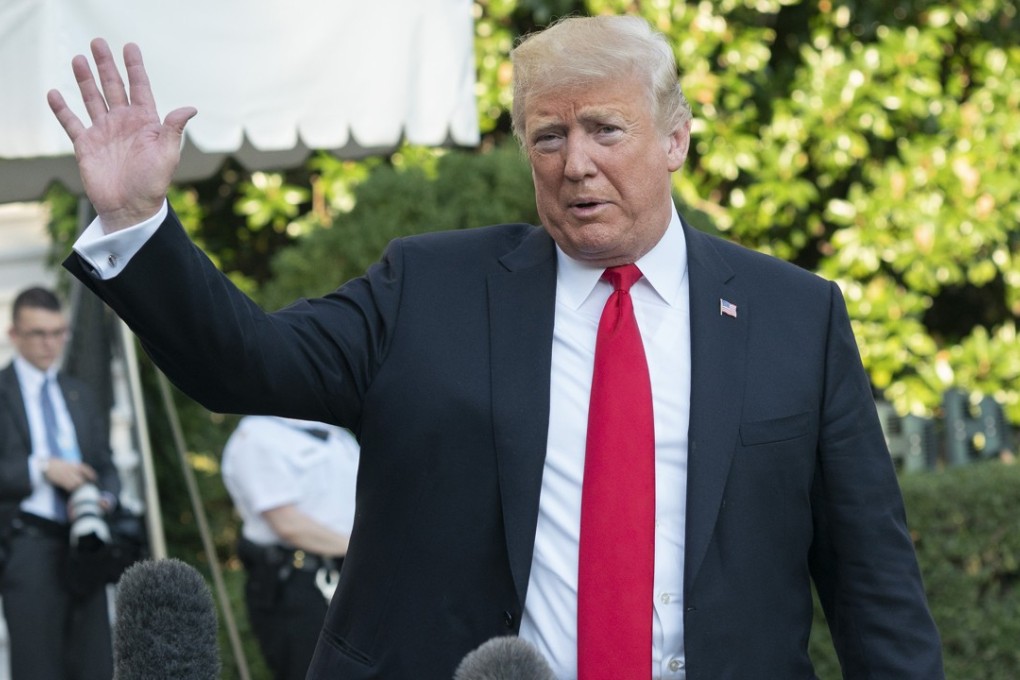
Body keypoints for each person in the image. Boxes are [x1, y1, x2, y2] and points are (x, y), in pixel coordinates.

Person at [47, 15, 945, 679]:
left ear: (675, 140)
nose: (574, 162)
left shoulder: (798, 318)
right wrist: (137, 220)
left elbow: (875, 588)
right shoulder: (429, 291)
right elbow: (243, 364)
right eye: (547, 137)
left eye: (605, 129)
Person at [0, 287, 120, 680]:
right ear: (13, 334)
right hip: (27, 544)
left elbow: (107, 467)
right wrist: (41, 468)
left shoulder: (79, 393)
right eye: (38, 333)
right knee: (37, 668)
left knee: (96, 664)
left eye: (57, 332)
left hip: (85, 542)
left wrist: (102, 499)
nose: (49, 343)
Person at [222, 415, 358, 680]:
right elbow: (288, 524)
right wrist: (369, 552)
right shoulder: (257, 435)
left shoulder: (337, 433)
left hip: (350, 575)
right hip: (298, 584)